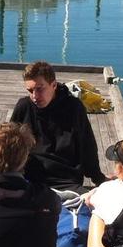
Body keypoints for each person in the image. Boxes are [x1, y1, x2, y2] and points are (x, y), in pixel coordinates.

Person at [10, 61, 106, 193]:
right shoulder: (24, 106)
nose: (34, 96)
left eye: (39, 89)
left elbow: (87, 145)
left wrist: (98, 178)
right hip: (29, 177)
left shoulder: (73, 107)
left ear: (53, 85)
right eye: (30, 90)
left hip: (65, 180)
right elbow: (7, 143)